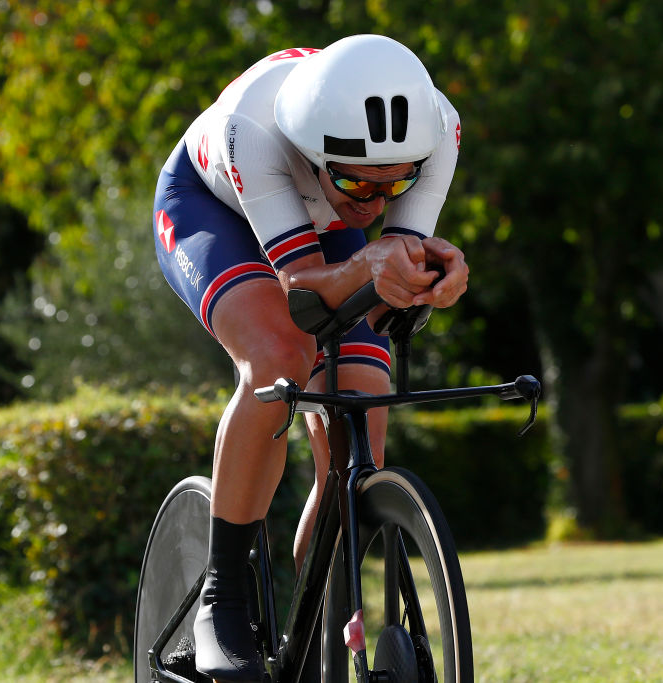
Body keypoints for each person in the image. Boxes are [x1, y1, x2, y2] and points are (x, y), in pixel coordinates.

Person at [151, 34, 468, 680]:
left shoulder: (435, 132)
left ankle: (313, 638)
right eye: (359, 182)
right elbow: (299, 290)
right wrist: (369, 260)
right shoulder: (256, 131)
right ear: (318, 154)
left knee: (360, 424)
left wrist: (428, 278)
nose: (378, 203)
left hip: (321, 222)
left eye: (396, 184)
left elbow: (385, 284)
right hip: (214, 210)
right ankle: (223, 597)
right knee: (279, 357)